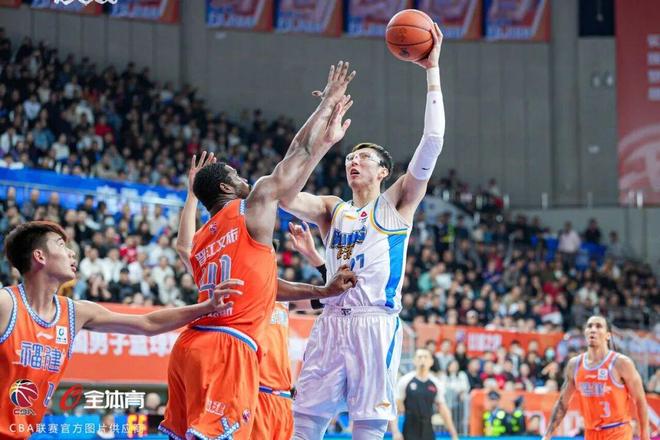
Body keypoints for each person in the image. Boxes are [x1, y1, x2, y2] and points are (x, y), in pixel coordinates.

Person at [158, 60, 356, 440]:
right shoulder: (249, 209)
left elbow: (264, 284)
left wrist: (322, 290)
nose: (244, 177)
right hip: (229, 345)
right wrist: (327, 104)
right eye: (235, 175)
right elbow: (297, 152)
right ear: (225, 189)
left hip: (191, 345)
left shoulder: (201, 242)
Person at [283, 23, 446, 440]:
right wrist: (322, 135)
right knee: (303, 423)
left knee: (368, 428)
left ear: (384, 170)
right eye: (349, 158)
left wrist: (432, 70)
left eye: (364, 158)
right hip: (330, 322)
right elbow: (283, 194)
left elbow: (432, 140)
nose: (353, 162)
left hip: (374, 324)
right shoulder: (331, 209)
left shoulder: (395, 205)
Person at [0, 221, 243, 438]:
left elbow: (148, 324)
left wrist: (206, 306)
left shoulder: (75, 312)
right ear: (40, 256)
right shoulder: (6, 304)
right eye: (61, 245)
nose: (72, 252)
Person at [542, 315, 650, 440]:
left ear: (608, 335)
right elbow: (562, 404)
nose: (593, 329)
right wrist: (547, 435)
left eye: (598, 326)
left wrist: (645, 436)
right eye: (589, 326)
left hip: (618, 431)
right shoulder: (575, 365)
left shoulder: (621, 363)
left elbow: (640, 400)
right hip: (591, 433)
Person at [391, 348, 459, 440]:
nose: (422, 359)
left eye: (426, 357)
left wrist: (454, 434)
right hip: (409, 431)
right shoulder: (405, 381)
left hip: (428, 431)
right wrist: (395, 432)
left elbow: (443, 410)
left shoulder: (436, 383)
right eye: (419, 357)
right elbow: (395, 408)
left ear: (431, 362)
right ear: (414, 361)